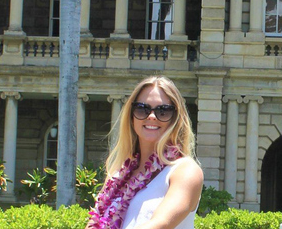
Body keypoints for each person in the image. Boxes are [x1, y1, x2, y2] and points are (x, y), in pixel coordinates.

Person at [87, 76, 203, 229]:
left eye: (163, 111)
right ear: (131, 116)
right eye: (142, 108)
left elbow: (160, 224)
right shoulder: (119, 176)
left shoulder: (185, 171)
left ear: (176, 118)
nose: (151, 116)